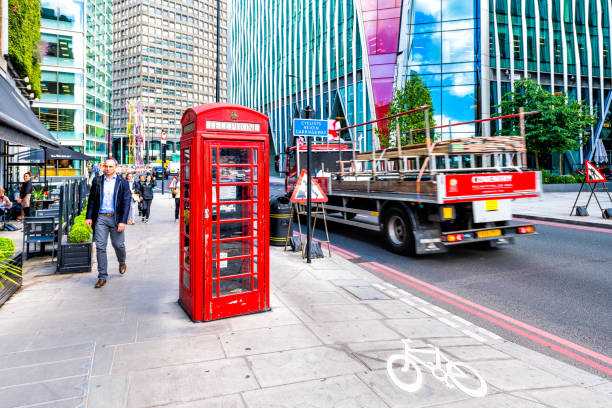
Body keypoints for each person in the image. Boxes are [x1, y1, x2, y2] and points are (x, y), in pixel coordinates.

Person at [85, 158, 131, 289]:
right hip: (101, 218)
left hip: (116, 219)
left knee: (118, 245)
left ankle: (122, 261)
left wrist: (123, 221)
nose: (108, 169)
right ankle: (102, 276)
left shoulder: (123, 182)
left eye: (111, 166)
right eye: (106, 166)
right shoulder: (97, 180)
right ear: (103, 167)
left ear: (116, 167)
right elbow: (92, 199)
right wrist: (89, 217)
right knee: (100, 246)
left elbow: (126, 203)